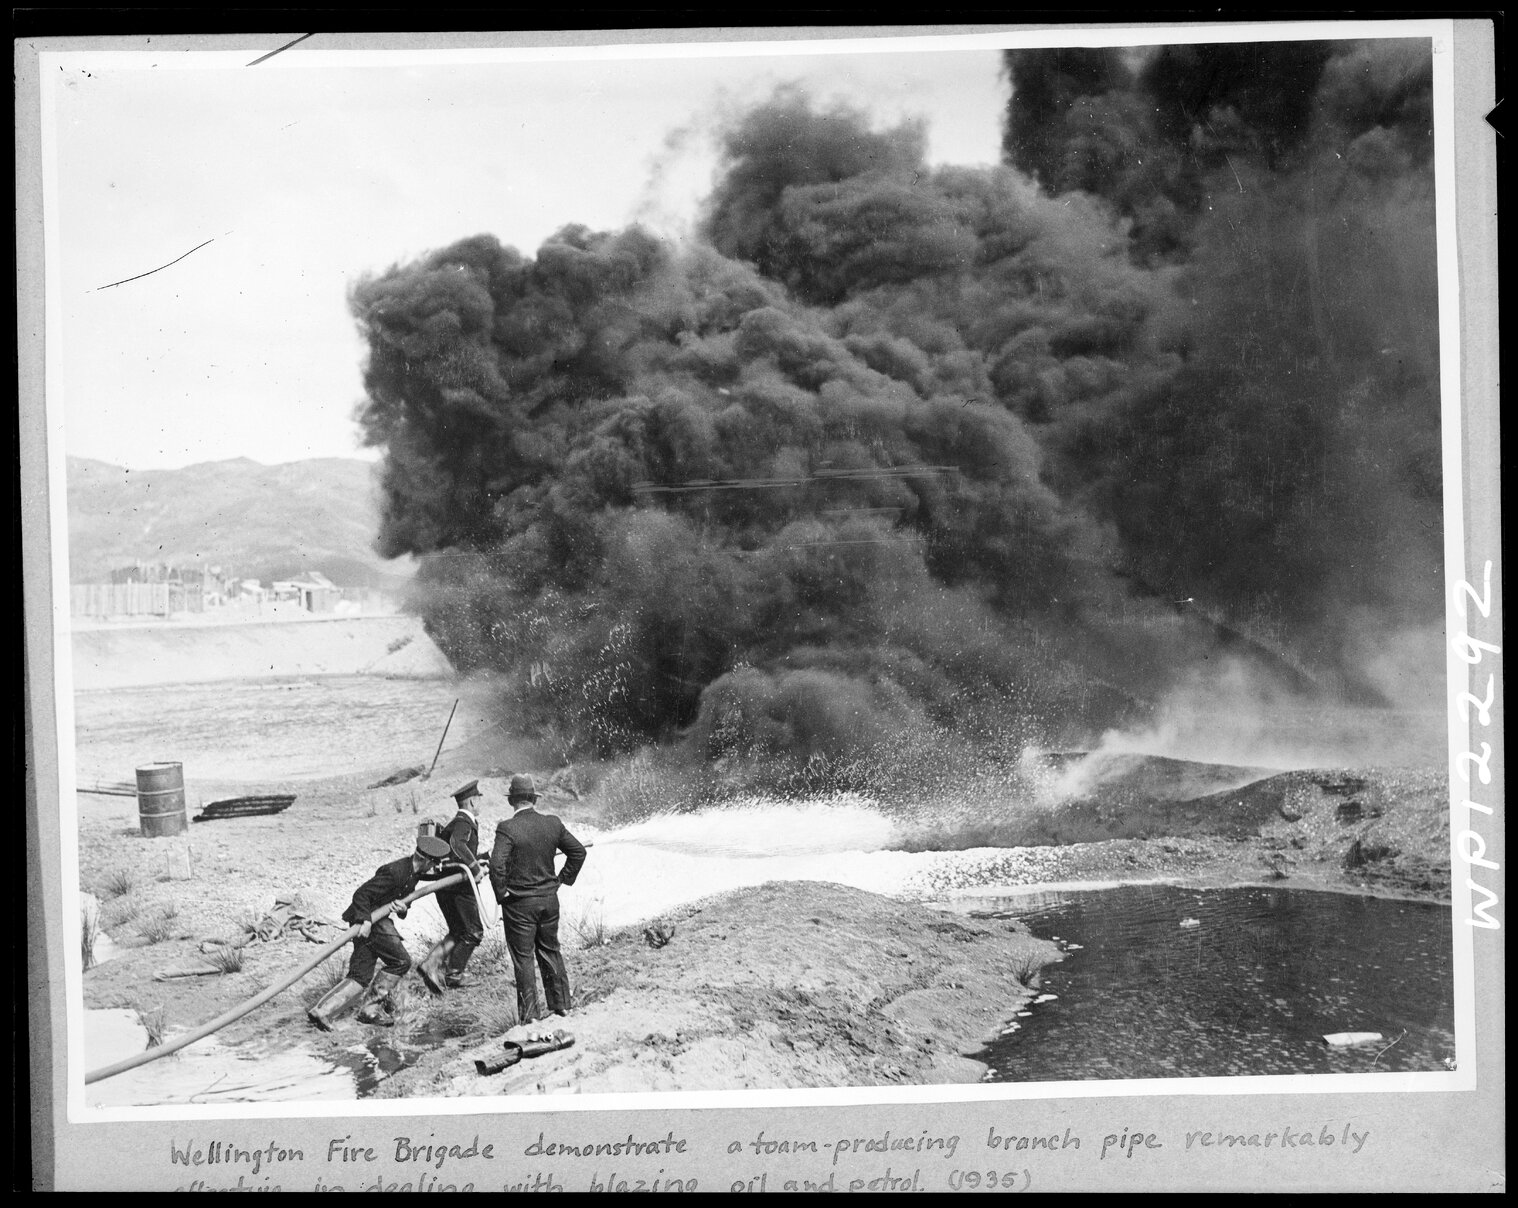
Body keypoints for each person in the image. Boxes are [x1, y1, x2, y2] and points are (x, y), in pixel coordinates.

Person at [308, 833, 453, 1030]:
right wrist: (365, 921)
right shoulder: (396, 872)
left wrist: (403, 910)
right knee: (401, 961)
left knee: (360, 975)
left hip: (374, 920)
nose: (434, 868)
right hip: (370, 922)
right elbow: (362, 894)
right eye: (433, 863)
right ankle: (370, 1010)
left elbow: (397, 900)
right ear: (426, 859)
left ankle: (322, 1011)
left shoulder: (413, 874)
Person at [488, 773, 587, 1023]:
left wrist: (502, 894)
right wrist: (562, 879)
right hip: (549, 899)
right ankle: (562, 1005)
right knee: (551, 950)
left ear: (512, 801)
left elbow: (496, 865)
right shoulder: (552, 823)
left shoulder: (507, 828)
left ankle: (531, 1016)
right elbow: (578, 852)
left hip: (519, 904)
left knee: (523, 959)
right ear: (534, 798)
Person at [418, 780, 489, 994]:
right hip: (459, 887)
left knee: (458, 930)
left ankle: (430, 965)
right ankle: (454, 974)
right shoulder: (464, 823)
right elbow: (458, 846)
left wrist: (482, 858)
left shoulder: (454, 823)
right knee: (474, 931)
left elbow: (453, 851)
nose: (480, 802)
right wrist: (476, 868)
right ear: (471, 802)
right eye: (478, 799)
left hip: (445, 887)